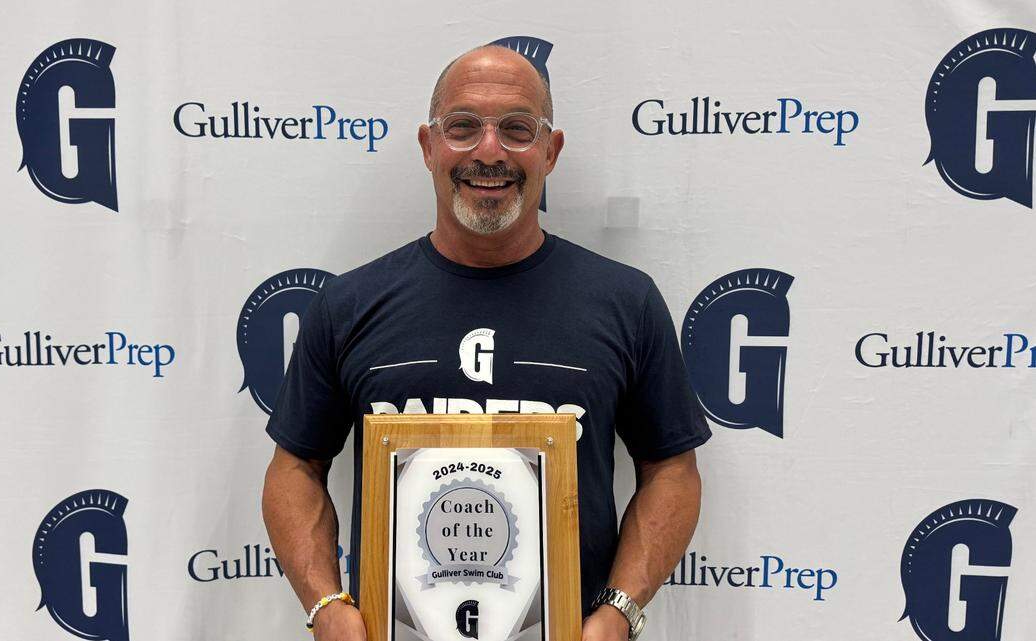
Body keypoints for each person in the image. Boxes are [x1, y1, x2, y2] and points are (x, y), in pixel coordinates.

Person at [261, 43, 710, 641]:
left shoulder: (625, 301)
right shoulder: (348, 305)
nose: (489, 151)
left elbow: (671, 469)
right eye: (463, 127)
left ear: (551, 152)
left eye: (518, 129)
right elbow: (295, 464)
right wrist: (326, 609)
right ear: (428, 147)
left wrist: (617, 615)